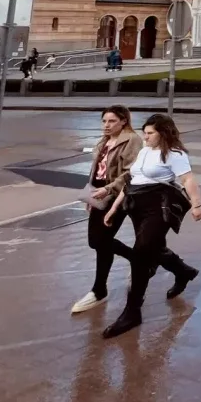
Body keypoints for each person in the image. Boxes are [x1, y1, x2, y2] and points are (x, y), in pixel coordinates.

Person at [101, 113, 201, 339]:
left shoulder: (174, 154)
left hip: (158, 207)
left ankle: (132, 311)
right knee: (153, 248)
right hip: (135, 205)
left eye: (150, 133)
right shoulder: (145, 151)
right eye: (145, 133)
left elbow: (187, 179)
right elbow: (131, 181)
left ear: (163, 133)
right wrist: (114, 208)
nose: (145, 137)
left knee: (141, 252)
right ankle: (183, 272)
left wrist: (197, 205)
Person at [71, 105, 143, 314]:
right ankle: (135, 262)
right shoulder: (104, 140)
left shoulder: (132, 140)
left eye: (112, 121)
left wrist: (108, 189)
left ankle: (99, 289)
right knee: (97, 242)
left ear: (123, 121)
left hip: (118, 195)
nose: (106, 125)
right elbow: (96, 170)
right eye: (104, 121)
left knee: (101, 240)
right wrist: (90, 194)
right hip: (99, 194)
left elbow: (131, 172)